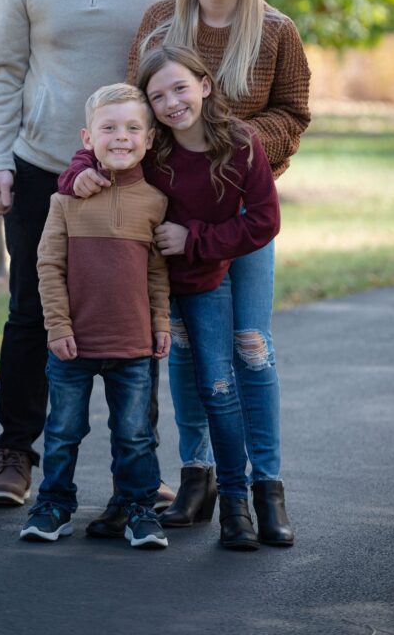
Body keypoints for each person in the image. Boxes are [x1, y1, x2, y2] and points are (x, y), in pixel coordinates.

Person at [68, 0, 311, 546]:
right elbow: (128, 113)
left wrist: (230, 143)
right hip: (172, 216)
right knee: (181, 345)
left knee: (250, 348)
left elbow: (296, 111)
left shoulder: (277, 31)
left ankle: (267, 486)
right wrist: (83, 169)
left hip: (242, 211)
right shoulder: (159, 25)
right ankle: (197, 475)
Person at [0, 0, 181, 507]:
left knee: (133, 312)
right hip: (40, 168)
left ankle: (141, 473)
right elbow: (4, 73)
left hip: (134, 175)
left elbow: (185, 72)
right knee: (30, 311)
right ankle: (15, 456)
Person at [59, 46, 281, 549]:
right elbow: (98, 145)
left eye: (180, 87)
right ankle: (133, 499)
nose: (171, 102)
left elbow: (265, 220)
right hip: (140, 288)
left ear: (205, 84)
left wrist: (195, 239)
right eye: (157, 96)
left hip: (203, 281)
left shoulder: (242, 143)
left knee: (219, 387)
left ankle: (237, 504)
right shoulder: (152, 144)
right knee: (137, 399)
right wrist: (77, 175)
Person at [19, 84, 170, 549]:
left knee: (135, 434)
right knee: (63, 431)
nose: (120, 137)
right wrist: (58, 327)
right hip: (73, 345)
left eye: (131, 128)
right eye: (108, 127)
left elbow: (158, 273)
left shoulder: (156, 202)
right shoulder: (64, 201)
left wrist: (161, 324)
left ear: (148, 139)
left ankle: (138, 509)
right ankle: (55, 504)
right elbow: (49, 266)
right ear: (88, 137)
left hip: (133, 345)